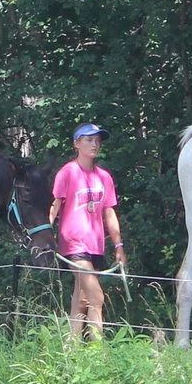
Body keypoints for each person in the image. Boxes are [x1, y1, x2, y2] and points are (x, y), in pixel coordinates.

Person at [49, 123, 127, 340]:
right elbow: (54, 206)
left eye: (97, 140)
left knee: (81, 300)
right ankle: (97, 353)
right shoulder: (67, 172)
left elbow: (109, 213)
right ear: (76, 143)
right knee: (96, 297)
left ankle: (73, 352)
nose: (94, 144)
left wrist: (118, 246)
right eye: (88, 139)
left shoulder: (104, 177)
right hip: (73, 244)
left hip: (95, 245)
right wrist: (44, 238)